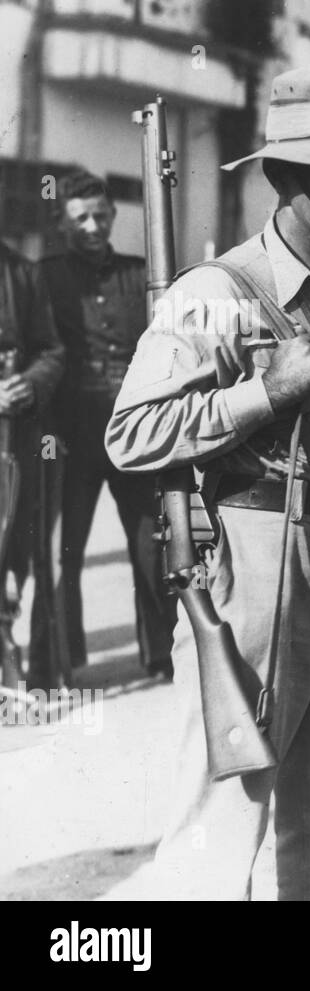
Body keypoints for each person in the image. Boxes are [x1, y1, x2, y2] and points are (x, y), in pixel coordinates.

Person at [103, 66, 310, 900]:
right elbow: (130, 435)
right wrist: (266, 390)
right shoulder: (216, 295)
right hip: (258, 560)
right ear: (281, 177)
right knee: (227, 810)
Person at [34, 172, 175, 681]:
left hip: (134, 436)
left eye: (101, 216)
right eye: (81, 219)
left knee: (150, 543)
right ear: (62, 222)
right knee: (61, 551)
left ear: (114, 216)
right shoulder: (43, 277)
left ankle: (161, 655)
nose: (93, 226)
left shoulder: (143, 275)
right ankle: (61, 662)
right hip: (69, 438)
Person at [0, 238, 64, 691]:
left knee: (11, 543)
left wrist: (30, 384)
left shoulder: (24, 271)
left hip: (13, 436)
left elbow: (52, 350)